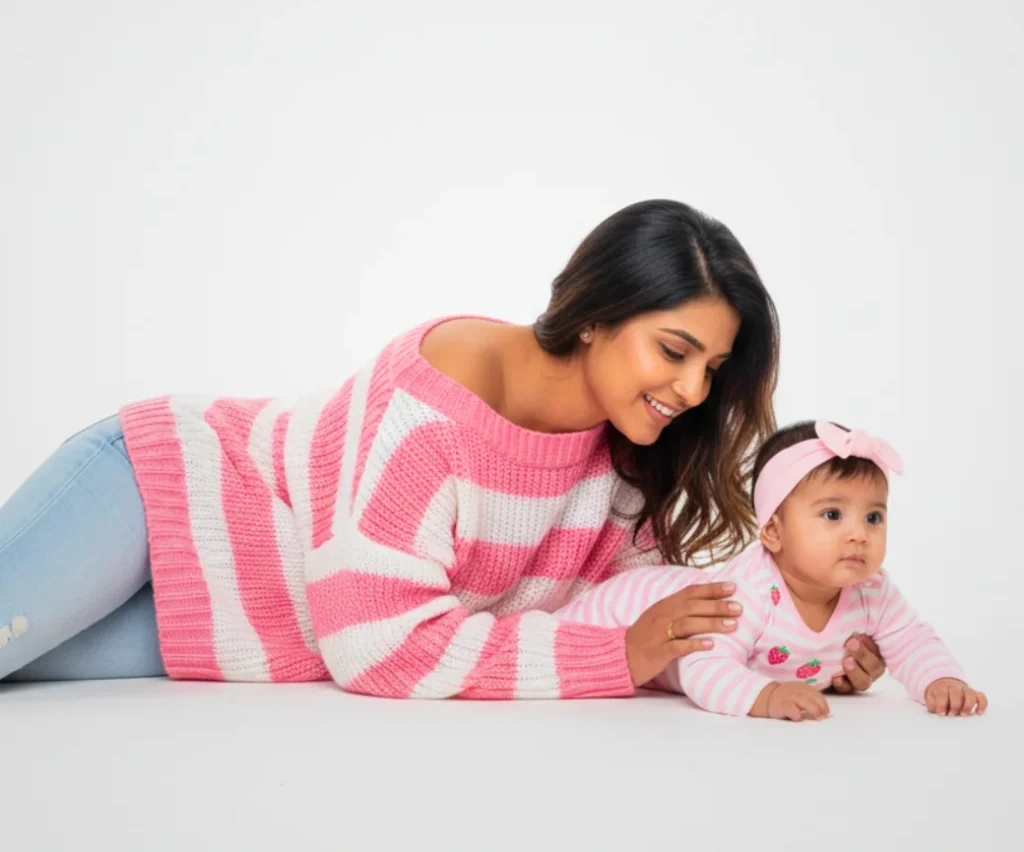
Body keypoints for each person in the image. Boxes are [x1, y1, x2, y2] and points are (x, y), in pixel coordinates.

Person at [0, 199, 886, 695]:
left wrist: (796, 658)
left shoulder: (632, 455)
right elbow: (378, 647)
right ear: (596, 317)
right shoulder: (439, 402)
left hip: (235, 617)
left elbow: (631, 621)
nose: (693, 392)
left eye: (713, 369)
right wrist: (617, 659)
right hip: (162, 494)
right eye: (674, 351)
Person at [555, 419, 987, 719]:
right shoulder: (747, 592)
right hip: (622, 608)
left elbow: (911, 639)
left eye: (873, 517)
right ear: (773, 532)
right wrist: (766, 695)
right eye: (833, 515)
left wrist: (941, 679)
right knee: (555, 643)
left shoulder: (872, 589)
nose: (859, 534)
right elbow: (702, 668)